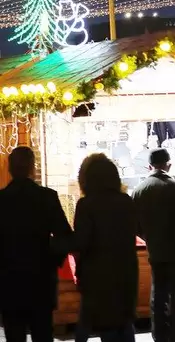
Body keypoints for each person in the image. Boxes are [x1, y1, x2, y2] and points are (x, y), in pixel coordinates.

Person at [0, 146, 72, 342]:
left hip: (9, 281)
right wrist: (52, 259)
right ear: (32, 167)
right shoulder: (46, 197)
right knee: (42, 333)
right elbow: (65, 236)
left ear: (10, 168)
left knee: (14, 334)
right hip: (40, 278)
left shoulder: (2, 200)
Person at [132, 148, 175, 342]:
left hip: (157, 251)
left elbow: (134, 226)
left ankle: (160, 335)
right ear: (168, 164)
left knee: (159, 295)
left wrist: (150, 238)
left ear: (149, 166)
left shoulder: (139, 191)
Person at [74, 153, 138, 342]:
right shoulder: (126, 202)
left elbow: (82, 241)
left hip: (97, 273)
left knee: (106, 326)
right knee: (124, 323)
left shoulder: (86, 205)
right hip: (125, 270)